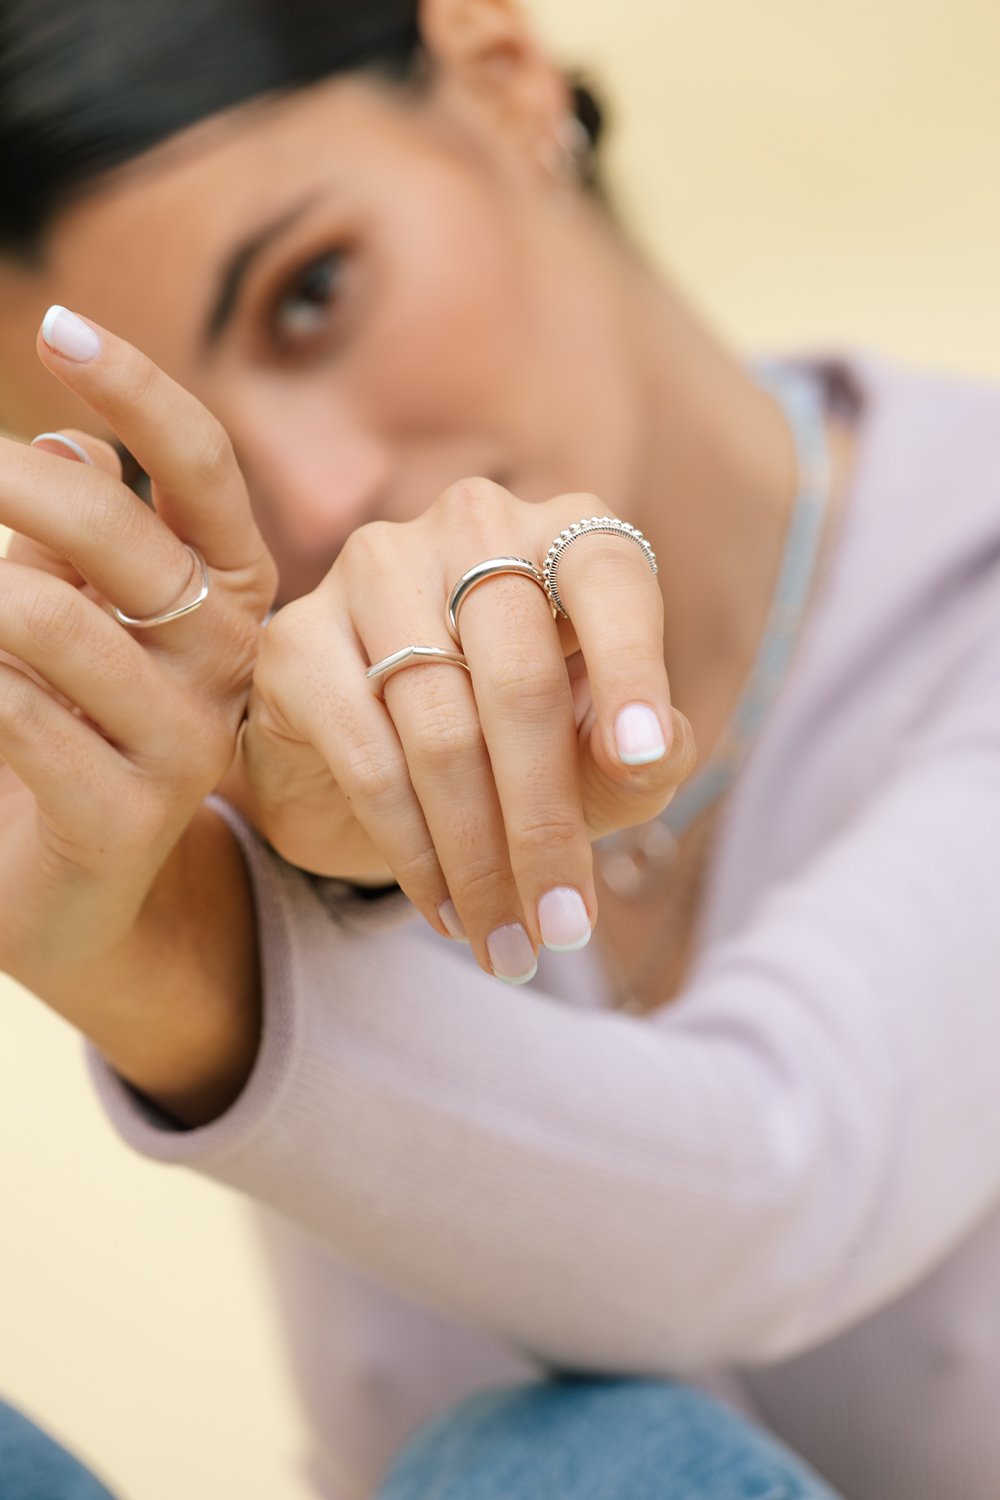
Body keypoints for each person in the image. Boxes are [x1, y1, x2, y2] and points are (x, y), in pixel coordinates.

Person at [0, 1, 997, 1497]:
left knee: (597, 1459)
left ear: (503, 78)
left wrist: (184, 958)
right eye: (171, 478)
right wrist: (257, 865)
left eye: (312, 293)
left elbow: (763, 1192)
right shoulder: (253, 748)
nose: (313, 499)